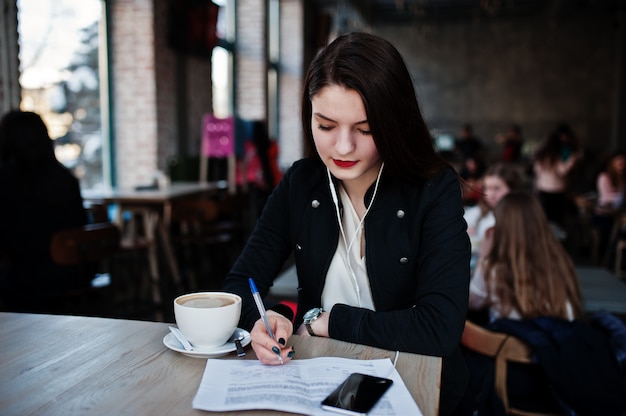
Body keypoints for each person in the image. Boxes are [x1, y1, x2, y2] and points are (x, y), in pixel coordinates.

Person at [221, 32, 471, 415]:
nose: (342, 147)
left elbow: (438, 328)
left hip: (409, 383)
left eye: (365, 129)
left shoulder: (433, 189)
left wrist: (329, 321)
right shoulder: (301, 183)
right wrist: (267, 317)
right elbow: (240, 284)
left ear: (393, 123)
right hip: (315, 382)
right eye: (325, 126)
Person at [0, 110, 88, 311]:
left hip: (25, 279)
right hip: (75, 274)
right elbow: (80, 222)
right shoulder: (65, 178)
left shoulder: (5, 181)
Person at [468, 191, 583, 323]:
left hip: (509, 341)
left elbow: (472, 302)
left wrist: (484, 257)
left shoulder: (494, 268)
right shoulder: (559, 260)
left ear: (502, 228)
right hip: (559, 338)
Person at [463, 162, 524, 257]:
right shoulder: (480, 211)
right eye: (487, 188)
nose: (490, 194)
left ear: (513, 189)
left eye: (497, 188)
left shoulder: (522, 217)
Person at [532, 123, 582, 232]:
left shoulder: (540, 155)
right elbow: (562, 171)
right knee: (557, 221)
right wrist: (572, 160)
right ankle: (556, 244)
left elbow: (537, 172)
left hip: (542, 188)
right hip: (556, 190)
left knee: (544, 219)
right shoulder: (556, 156)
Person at [592, 150, 626, 257]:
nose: (622, 166)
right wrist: (620, 196)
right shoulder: (604, 177)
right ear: (612, 163)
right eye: (619, 163)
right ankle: (607, 255)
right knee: (609, 231)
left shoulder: (623, 179)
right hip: (604, 213)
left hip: (618, 214)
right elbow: (606, 197)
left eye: (624, 163)